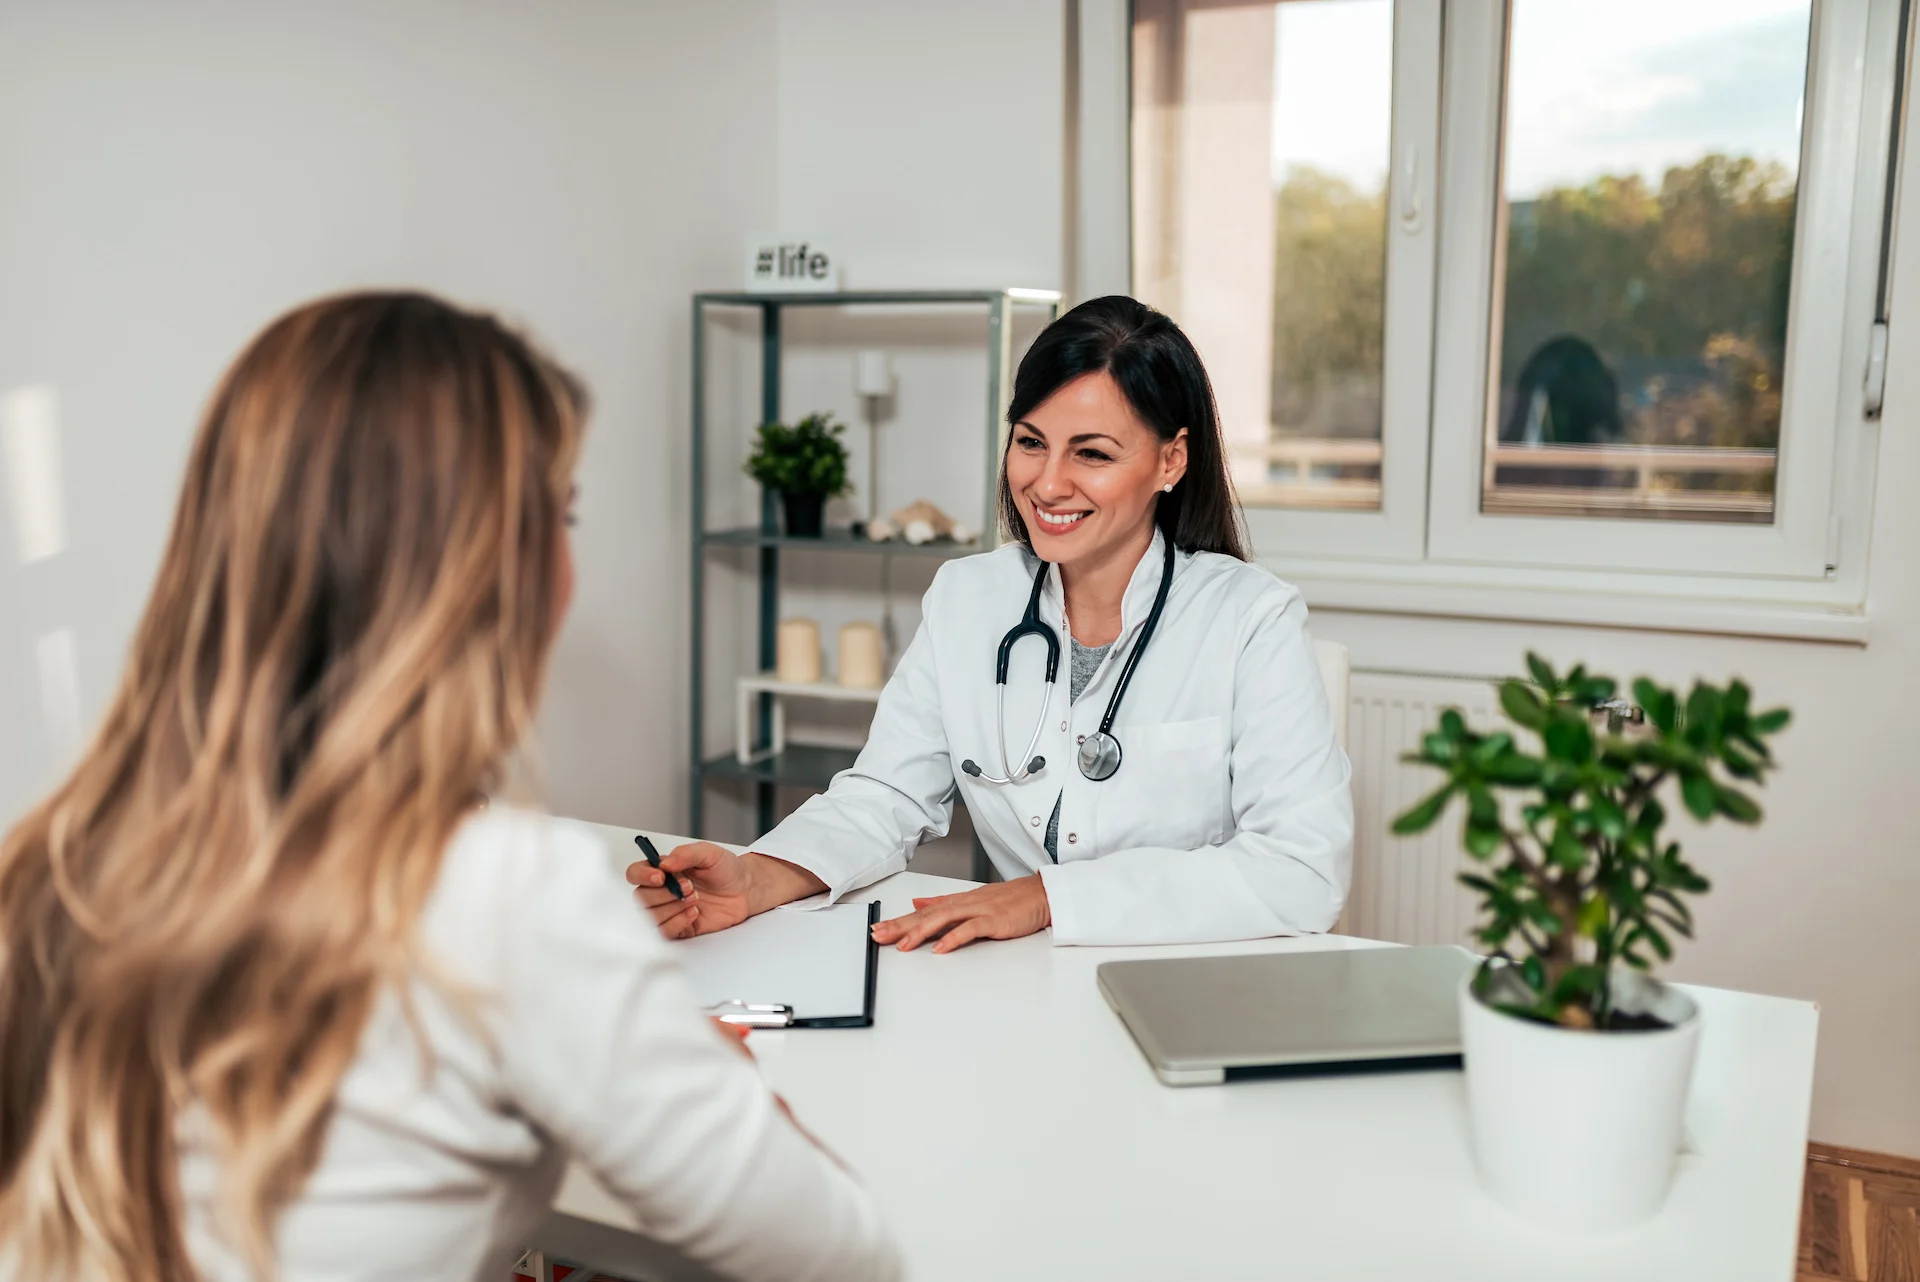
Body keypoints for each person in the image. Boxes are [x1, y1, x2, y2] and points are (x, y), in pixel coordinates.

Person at [0, 294, 900, 1282]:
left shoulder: (62, 854)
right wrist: (720, 1080)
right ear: (482, 566)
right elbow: (841, 1260)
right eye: (560, 515)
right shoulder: (504, 892)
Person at [632, 295, 1353, 952]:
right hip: (1028, 984)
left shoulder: (1251, 619)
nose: (1046, 483)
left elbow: (1301, 868)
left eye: (1092, 453)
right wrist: (756, 877)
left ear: (1172, 459)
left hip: (1192, 985)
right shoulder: (967, 598)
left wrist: (1046, 898)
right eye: (1031, 441)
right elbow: (887, 794)